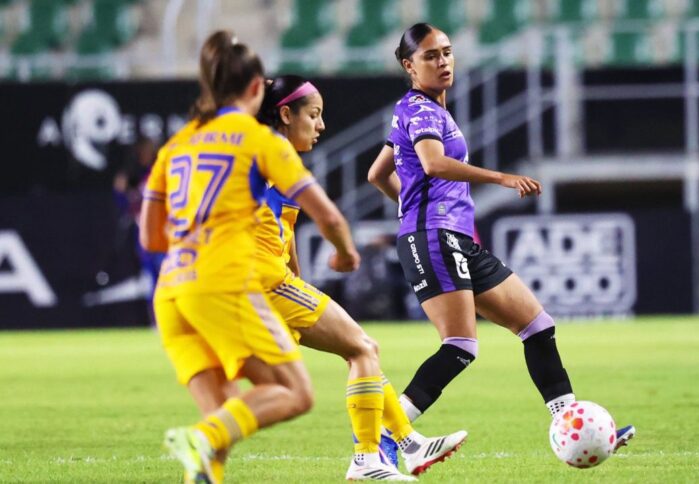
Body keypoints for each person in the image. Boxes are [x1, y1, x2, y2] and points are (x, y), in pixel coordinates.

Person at [367, 23, 635, 450]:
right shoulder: (419, 110)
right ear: (409, 65)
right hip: (435, 238)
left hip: (452, 237)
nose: (443, 62)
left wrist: (409, 204)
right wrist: (499, 178)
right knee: (460, 345)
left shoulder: (428, 111)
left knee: (538, 327)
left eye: (447, 53)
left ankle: (571, 425)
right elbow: (434, 165)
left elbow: (377, 173)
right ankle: (384, 438)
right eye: (431, 56)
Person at [139, 31, 347, 484]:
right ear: (257, 90)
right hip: (222, 285)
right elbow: (328, 217)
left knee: (221, 436)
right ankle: (201, 435)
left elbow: (151, 237)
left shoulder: (176, 145)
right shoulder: (259, 140)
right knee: (294, 393)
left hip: (172, 294)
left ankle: (206, 447)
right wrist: (345, 254)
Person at [253, 75, 466, 479]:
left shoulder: (268, 154)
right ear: (285, 114)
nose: (321, 126)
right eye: (313, 115)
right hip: (263, 281)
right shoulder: (273, 150)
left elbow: (285, 225)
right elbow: (323, 216)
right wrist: (343, 251)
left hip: (271, 280)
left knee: (361, 348)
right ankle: (367, 459)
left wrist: (297, 280)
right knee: (363, 349)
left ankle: (409, 444)